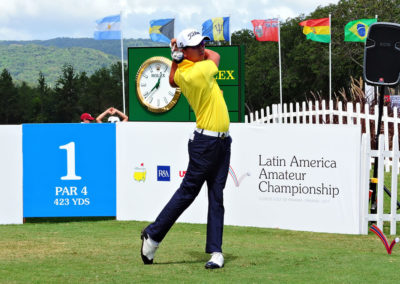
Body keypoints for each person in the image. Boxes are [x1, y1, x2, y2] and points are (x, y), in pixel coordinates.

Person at [140, 28, 232, 269]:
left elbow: (171, 79)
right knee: (187, 193)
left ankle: (215, 252)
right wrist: (178, 52)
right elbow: (216, 57)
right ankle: (153, 235)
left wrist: (176, 56)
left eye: (203, 43)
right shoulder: (197, 72)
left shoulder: (183, 71)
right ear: (185, 51)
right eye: (197, 45)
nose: (203, 48)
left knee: (216, 197)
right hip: (206, 144)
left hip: (222, 142)